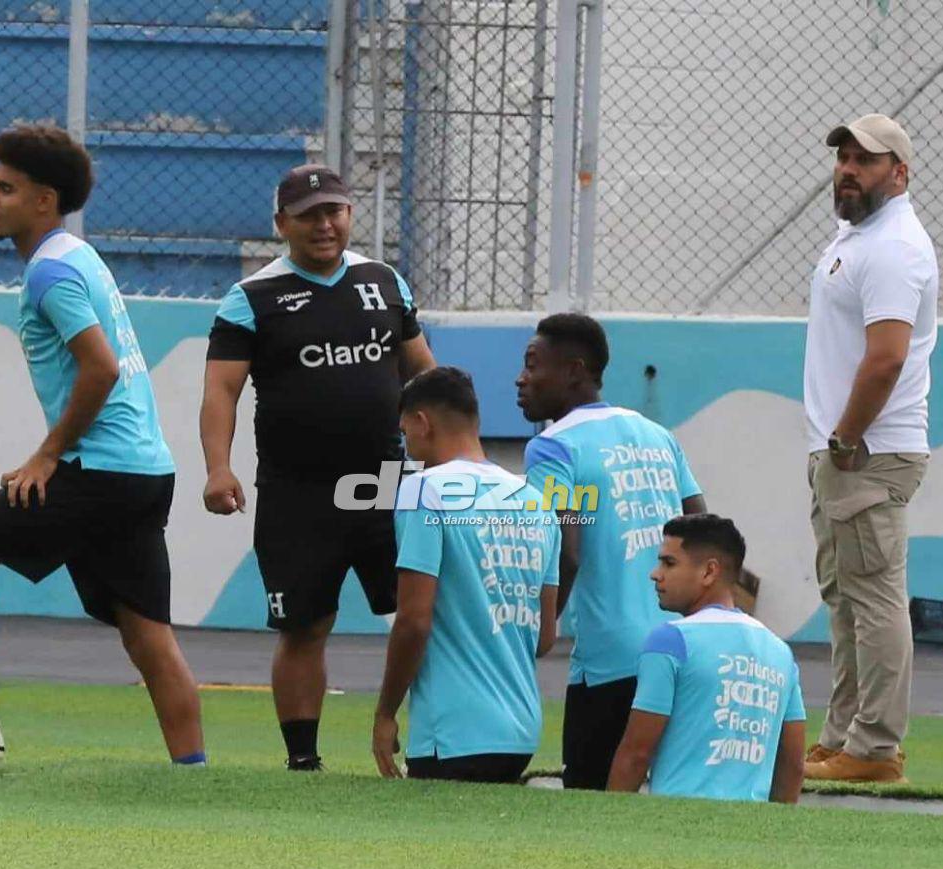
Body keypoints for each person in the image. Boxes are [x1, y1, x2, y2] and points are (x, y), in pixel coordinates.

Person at [0, 126, 205, 767]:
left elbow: (101, 367)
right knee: (145, 631)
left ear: (44, 200)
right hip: (144, 471)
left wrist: (47, 454)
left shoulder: (52, 272)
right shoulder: (79, 257)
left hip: (98, 470)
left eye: (5, 189)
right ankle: (192, 770)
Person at [201, 164, 436, 771]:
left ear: (351, 214)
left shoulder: (384, 282)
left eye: (334, 211)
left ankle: (439, 748)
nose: (324, 225)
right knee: (305, 626)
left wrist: (450, 458)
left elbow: (424, 376)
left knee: (423, 615)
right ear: (282, 223)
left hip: (385, 484)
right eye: (308, 216)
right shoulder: (251, 298)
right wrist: (218, 468)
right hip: (297, 493)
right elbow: (222, 392)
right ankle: (303, 763)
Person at [516, 312, 706, 790]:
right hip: (681, 646)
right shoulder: (658, 436)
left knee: (591, 796)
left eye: (533, 365)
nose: (521, 378)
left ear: (574, 371)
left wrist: (538, 631)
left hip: (610, 658)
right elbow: (702, 529)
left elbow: (564, 550)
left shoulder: (553, 447)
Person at [803, 114, 936, 784]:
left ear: (900, 173)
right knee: (847, 599)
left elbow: (886, 359)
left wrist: (846, 438)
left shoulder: (893, 247)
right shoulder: (857, 235)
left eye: (866, 160)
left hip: (866, 450)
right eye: (844, 157)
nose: (848, 169)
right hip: (845, 450)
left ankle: (876, 749)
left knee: (875, 598)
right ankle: (842, 739)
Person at [372, 367, 560, 783]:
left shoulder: (424, 490)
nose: (406, 444)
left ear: (422, 422)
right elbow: (544, 637)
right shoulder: (537, 502)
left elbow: (413, 621)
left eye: (405, 432)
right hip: (521, 733)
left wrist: (385, 712)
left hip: (453, 732)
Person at [608, 515, 806, 802]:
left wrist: (612, 819)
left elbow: (636, 755)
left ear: (709, 572)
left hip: (675, 821)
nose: (655, 574)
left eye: (669, 563)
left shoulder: (669, 640)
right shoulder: (780, 652)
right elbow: (793, 766)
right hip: (754, 825)